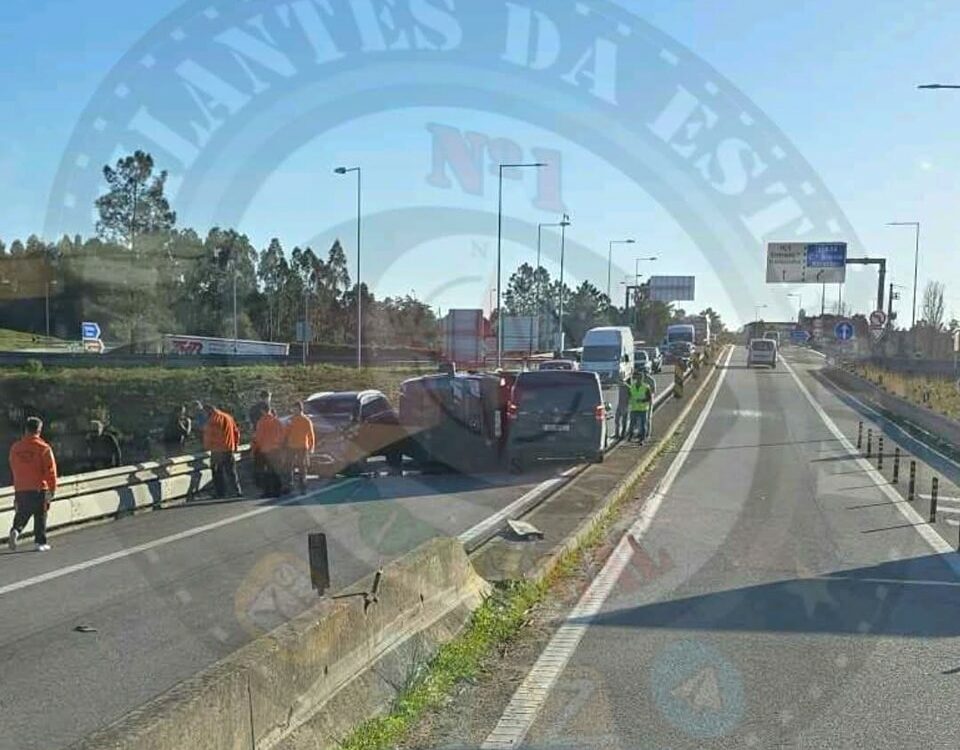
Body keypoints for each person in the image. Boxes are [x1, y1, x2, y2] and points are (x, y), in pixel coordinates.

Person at [8, 417, 57, 551]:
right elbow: (50, 471)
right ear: (39, 430)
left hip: (20, 488)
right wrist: (52, 489)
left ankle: (16, 531)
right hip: (39, 488)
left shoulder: (15, 448)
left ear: (26, 430)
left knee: (22, 513)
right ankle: (39, 542)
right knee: (40, 515)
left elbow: (12, 466)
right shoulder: (44, 448)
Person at [202, 403, 242, 498]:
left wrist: (207, 446)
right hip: (229, 448)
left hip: (218, 450)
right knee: (231, 472)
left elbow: (210, 436)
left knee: (217, 473)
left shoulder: (213, 420)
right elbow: (236, 432)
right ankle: (237, 491)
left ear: (208, 411)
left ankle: (220, 493)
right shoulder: (228, 417)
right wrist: (235, 445)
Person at [253, 408, 286, 498]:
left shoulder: (261, 422)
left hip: (264, 450)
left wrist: (256, 448)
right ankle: (277, 491)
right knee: (275, 471)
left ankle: (267, 491)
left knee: (265, 472)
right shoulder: (277, 422)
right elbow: (283, 434)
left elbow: (258, 437)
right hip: (275, 449)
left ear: (262, 411)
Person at [285, 401, 315, 495]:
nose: (293, 410)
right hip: (291, 446)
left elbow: (311, 435)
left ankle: (303, 487)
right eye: (293, 409)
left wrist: (311, 447)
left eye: (295, 408)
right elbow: (286, 432)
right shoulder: (291, 419)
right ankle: (290, 486)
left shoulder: (306, 420)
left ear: (300, 409)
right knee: (289, 466)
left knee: (302, 468)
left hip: (302, 447)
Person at [628, 375, 653, 445]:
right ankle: (630, 436)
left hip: (643, 409)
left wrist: (642, 401)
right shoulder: (632, 387)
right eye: (638, 378)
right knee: (632, 424)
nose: (639, 380)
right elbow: (629, 396)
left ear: (642, 379)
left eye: (640, 379)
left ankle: (642, 439)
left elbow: (649, 398)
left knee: (643, 425)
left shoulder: (646, 387)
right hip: (634, 408)